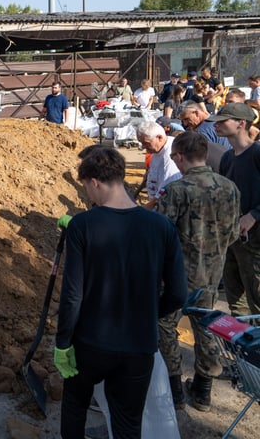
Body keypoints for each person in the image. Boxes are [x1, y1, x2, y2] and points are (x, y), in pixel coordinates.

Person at [55, 145, 187, 439]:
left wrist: (63, 342)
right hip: (139, 346)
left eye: (86, 188)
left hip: (90, 342)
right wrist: (148, 314)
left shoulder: (83, 225)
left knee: (75, 406)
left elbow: (73, 294)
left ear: (94, 182)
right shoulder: (161, 226)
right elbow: (178, 293)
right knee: (128, 423)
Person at [155, 131, 240, 411]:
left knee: (165, 325)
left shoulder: (177, 190)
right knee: (205, 325)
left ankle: (175, 390)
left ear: (179, 157)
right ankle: (204, 390)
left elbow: (162, 236)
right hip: (212, 273)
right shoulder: (230, 187)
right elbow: (234, 234)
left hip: (177, 275)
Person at [212, 102, 260, 317]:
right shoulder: (227, 157)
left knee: (256, 300)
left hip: (255, 242)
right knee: (236, 301)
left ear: (241, 123)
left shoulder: (257, 154)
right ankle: (245, 345)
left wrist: (255, 214)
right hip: (233, 238)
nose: (217, 125)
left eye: (223, 121)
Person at [136, 121, 181, 209]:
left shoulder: (170, 155)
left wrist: (143, 210)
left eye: (146, 143)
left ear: (159, 137)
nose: (143, 147)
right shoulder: (157, 149)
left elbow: (164, 193)